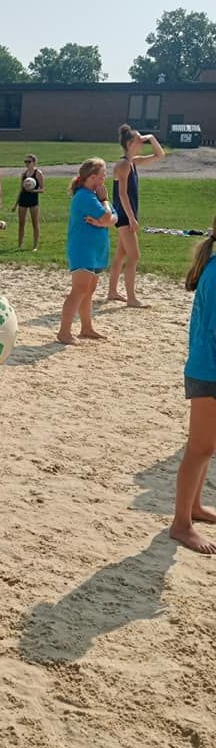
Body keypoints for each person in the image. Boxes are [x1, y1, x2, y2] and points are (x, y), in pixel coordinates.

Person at [169, 221, 216, 555]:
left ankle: (196, 507)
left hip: (208, 368)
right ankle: (181, 524)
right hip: (208, 372)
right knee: (199, 448)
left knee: (208, 447)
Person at [57, 158, 117, 345]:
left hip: (97, 250)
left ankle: (86, 327)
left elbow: (114, 218)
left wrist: (103, 220)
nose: (105, 178)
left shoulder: (93, 196)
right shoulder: (85, 196)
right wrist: (105, 201)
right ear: (92, 177)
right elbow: (108, 215)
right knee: (79, 289)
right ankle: (64, 332)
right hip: (83, 249)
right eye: (103, 175)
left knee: (89, 290)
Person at [106, 124, 165, 306]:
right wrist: (131, 218)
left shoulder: (132, 162)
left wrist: (151, 138)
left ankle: (112, 292)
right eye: (139, 141)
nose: (142, 143)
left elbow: (159, 155)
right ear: (130, 143)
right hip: (124, 216)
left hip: (125, 215)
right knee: (134, 256)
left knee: (121, 255)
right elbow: (122, 194)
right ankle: (131, 298)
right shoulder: (123, 165)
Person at [12, 153, 44, 251]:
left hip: (33, 200)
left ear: (34, 162)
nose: (27, 163)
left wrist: (33, 191)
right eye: (25, 162)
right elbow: (21, 190)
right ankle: (20, 245)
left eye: (29, 162)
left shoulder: (38, 173)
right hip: (23, 200)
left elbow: (42, 189)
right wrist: (15, 204)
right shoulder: (24, 174)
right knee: (21, 223)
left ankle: (35, 246)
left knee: (35, 223)